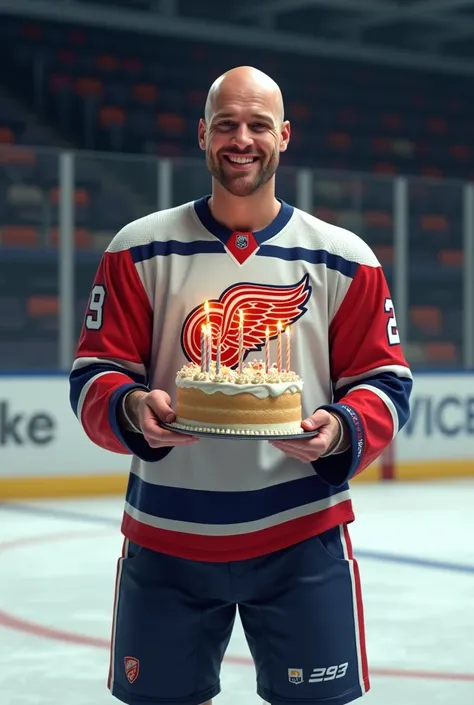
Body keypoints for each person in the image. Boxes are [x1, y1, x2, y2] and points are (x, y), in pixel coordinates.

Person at [70, 66, 412, 705]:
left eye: (258, 125)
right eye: (226, 124)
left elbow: (386, 384)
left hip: (302, 534)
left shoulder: (345, 257)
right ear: (202, 135)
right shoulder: (136, 248)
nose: (242, 139)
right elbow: (93, 376)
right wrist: (130, 406)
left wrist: (343, 427)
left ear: (284, 136)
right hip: (165, 537)